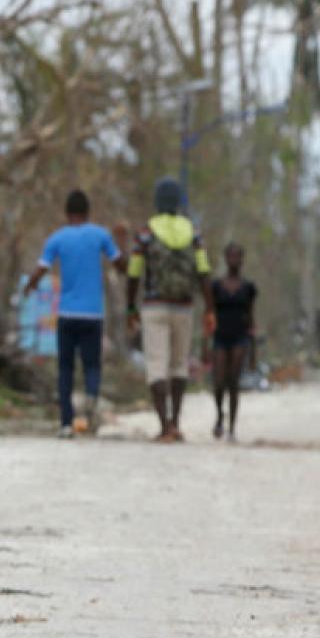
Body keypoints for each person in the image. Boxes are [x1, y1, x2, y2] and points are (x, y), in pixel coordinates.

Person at [21, 190, 126, 438]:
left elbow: (40, 269)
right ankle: (90, 401)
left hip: (67, 313)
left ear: (67, 213)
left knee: (65, 368)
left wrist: (29, 287)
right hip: (93, 314)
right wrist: (121, 242)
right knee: (91, 365)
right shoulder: (100, 235)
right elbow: (121, 265)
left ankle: (66, 423)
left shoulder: (57, 238)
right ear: (88, 212)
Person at [125, 179, 216, 443]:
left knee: (156, 365)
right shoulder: (192, 232)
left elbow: (133, 272)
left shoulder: (146, 232)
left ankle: (164, 425)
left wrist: (130, 306)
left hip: (154, 306)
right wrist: (209, 308)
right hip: (184, 307)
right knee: (179, 365)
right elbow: (203, 272)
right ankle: (176, 422)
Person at [209, 242, 256, 442]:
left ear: (242, 260)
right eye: (231, 256)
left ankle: (232, 428)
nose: (234, 260)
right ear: (226, 258)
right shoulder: (216, 286)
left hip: (240, 336)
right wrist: (205, 342)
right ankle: (219, 415)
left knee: (233, 381)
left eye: (238, 256)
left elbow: (252, 317)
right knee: (219, 381)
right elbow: (209, 314)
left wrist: (254, 350)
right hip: (220, 335)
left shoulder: (248, 288)